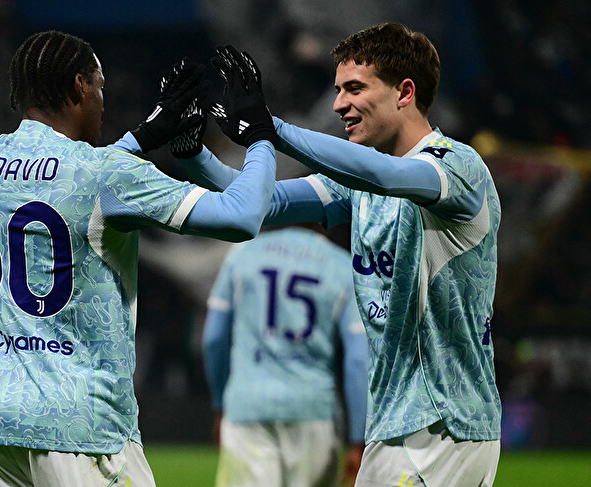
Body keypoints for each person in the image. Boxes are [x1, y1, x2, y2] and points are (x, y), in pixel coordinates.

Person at [173, 25, 502, 487]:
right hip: (391, 425)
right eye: (338, 90)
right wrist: (193, 155)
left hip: (445, 425)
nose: (338, 105)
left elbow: (389, 175)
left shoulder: (457, 166)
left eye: (354, 88)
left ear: (405, 92)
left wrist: (274, 129)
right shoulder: (360, 185)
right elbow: (265, 201)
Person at [0, 30, 277, 487]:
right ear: (79, 86)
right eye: (100, 86)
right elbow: (242, 216)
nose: (104, 101)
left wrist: (146, 135)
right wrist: (260, 136)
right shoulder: (108, 173)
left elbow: (68, 183)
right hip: (83, 427)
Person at [202, 225, 369, 487]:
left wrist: (220, 405)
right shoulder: (342, 265)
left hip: (248, 407)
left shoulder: (242, 255)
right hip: (314, 411)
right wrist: (359, 439)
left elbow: (213, 338)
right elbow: (358, 360)